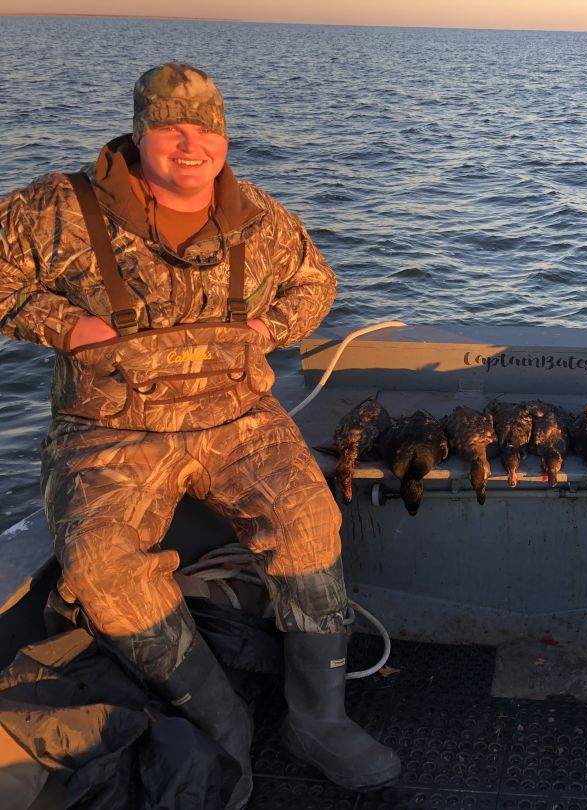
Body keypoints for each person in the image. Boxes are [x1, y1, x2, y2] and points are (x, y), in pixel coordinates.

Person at [0, 64, 400, 805]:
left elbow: (317, 284)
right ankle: (222, 722)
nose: (192, 146)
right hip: (107, 431)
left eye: (206, 130)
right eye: (173, 129)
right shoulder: (58, 209)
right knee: (98, 566)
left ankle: (318, 717)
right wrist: (67, 325)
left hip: (238, 422)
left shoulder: (256, 218)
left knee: (311, 522)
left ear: (223, 136)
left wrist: (269, 327)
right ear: (140, 132)